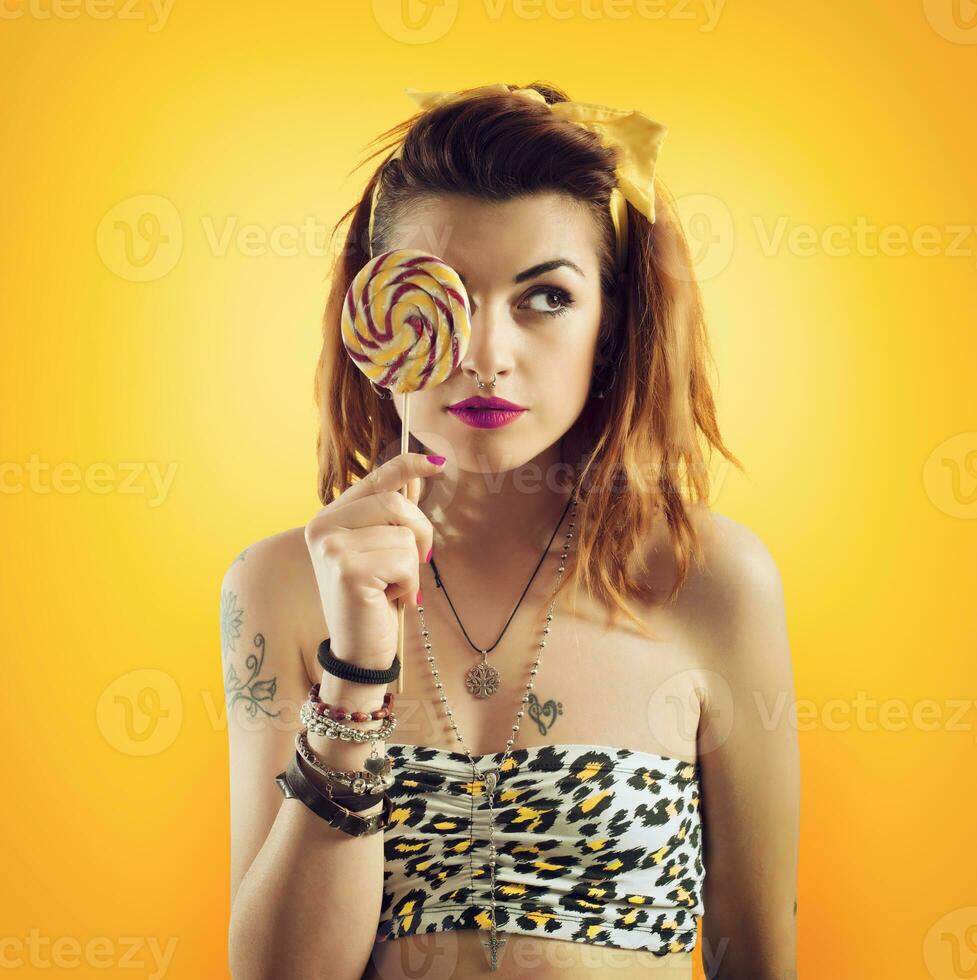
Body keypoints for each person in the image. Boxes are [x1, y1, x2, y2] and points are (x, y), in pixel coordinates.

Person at [222, 82, 800, 980]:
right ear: (375, 318)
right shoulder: (281, 587)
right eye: (441, 298)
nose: (484, 353)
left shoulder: (710, 579)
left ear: (610, 325)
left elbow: (759, 957)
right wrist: (357, 669)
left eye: (545, 299)